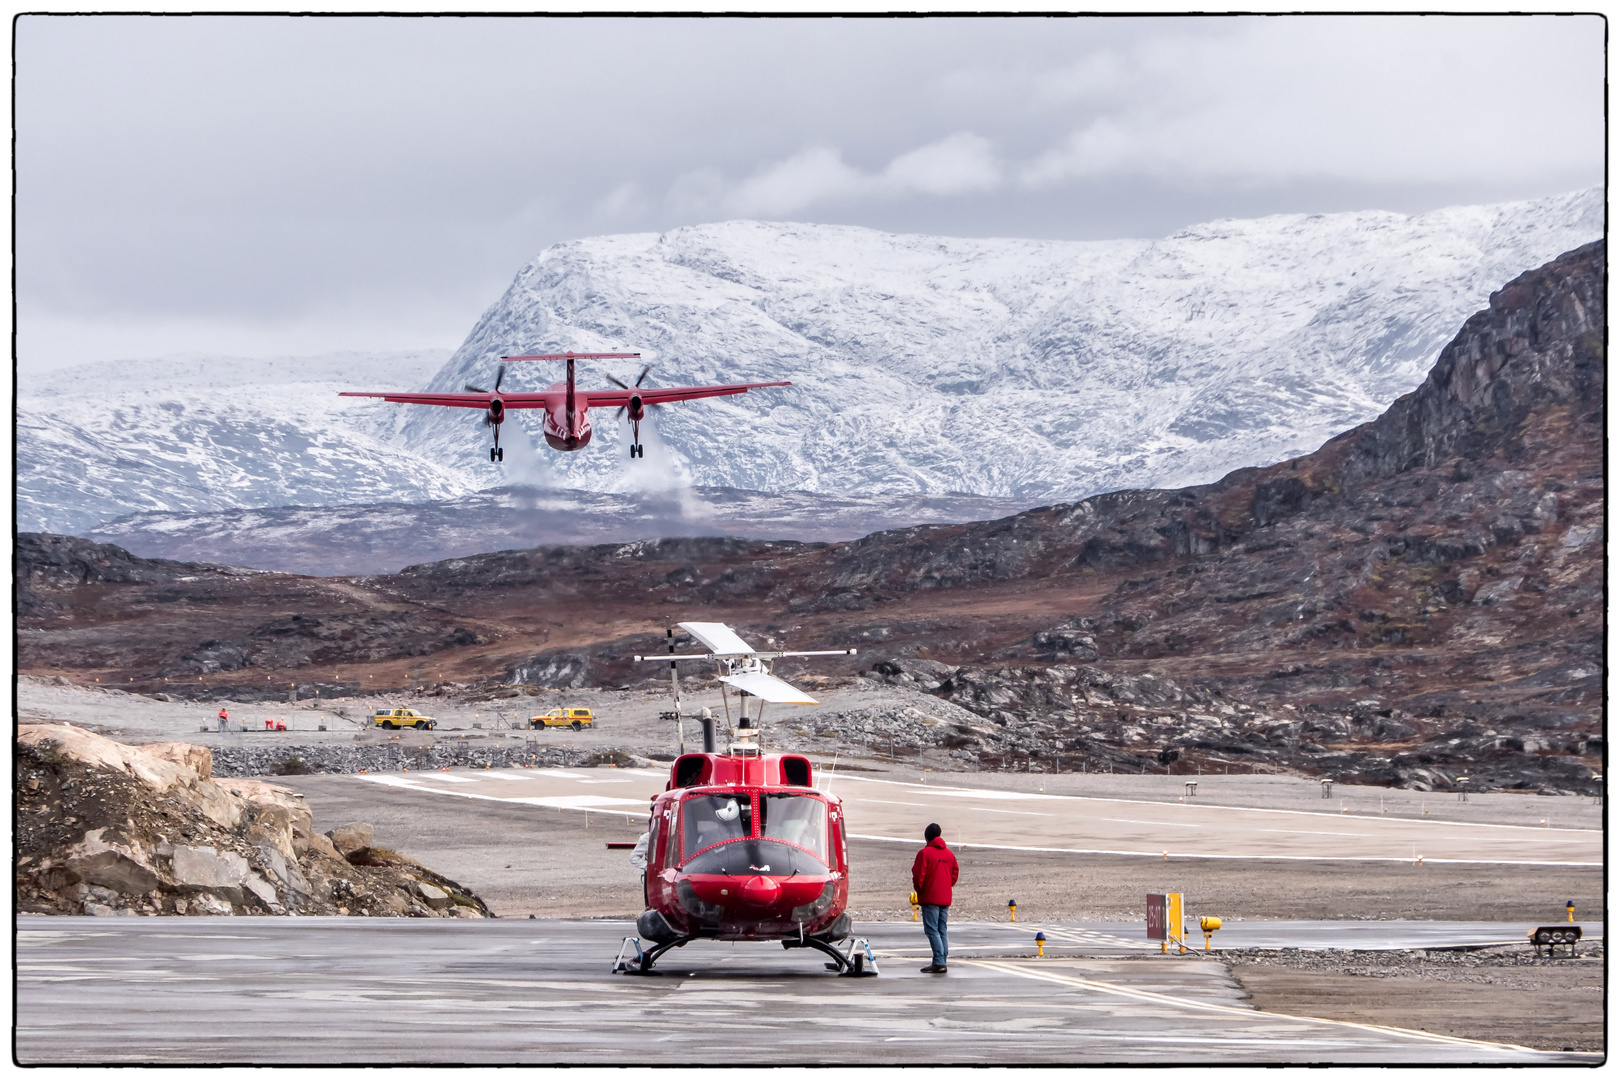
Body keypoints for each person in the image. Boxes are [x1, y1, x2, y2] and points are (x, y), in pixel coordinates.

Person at [911, 822, 959, 973]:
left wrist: (920, 890)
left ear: (926, 837)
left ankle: (939, 961)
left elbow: (919, 875)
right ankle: (942, 959)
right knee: (941, 929)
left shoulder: (924, 853)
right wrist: (945, 886)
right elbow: (954, 874)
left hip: (930, 897)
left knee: (932, 929)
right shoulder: (949, 854)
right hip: (944, 897)